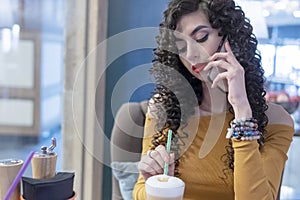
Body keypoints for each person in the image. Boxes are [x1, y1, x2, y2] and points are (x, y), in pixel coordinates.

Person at [132, 0, 294, 199]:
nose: (190, 54)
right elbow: (139, 191)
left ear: (230, 37)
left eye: (201, 38)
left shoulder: (277, 121)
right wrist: (155, 185)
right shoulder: (164, 109)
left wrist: (242, 111)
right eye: (181, 46)